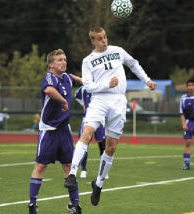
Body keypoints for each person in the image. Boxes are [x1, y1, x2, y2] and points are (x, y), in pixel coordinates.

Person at [64, 27, 156, 206]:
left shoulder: (118, 51)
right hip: (99, 101)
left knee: (111, 147)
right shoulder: (88, 60)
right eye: (99, 39)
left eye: (105, 37)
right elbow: (88, 87)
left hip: (119, 102)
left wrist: (147, 80)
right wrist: (107, 84)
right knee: (87, 133)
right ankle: (72, 174)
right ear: (93, 41)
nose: (104, 41)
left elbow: (134, 64)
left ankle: (98, 184)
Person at [28, 49, 82, 214]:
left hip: (64, 130)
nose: (63, 62)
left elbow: (81, 80)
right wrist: (64, 100)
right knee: (41, 165)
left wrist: (100, 84)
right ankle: (32, 204)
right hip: (49, 129)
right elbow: (49, 90)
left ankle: (75, 204)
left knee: (68, 167)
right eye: (59, 60)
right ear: (51, 64)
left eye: (65, 59)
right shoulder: (50, 77)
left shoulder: (67, 77)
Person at [74, 86, 107, 179]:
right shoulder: (83, 88)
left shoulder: (102, 85)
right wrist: (84, 105)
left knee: (102, 144)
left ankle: (103, 170)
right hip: (87, 119)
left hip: (100, 119)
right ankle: (83, 169)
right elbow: (77, 96)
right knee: (84, 144)